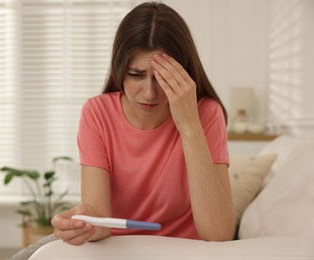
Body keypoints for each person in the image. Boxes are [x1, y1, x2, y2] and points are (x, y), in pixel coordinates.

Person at [51, 1, 235, 246]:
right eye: (136, 75)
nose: (149, 93)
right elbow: (99, 219)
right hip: (117, 248)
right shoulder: (97, 112)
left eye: (163, 78)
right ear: (119, 70)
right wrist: (83, 225)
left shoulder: (206, 113)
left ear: (184, 74)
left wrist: (189, 125)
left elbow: (218, 234)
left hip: (181, 250)